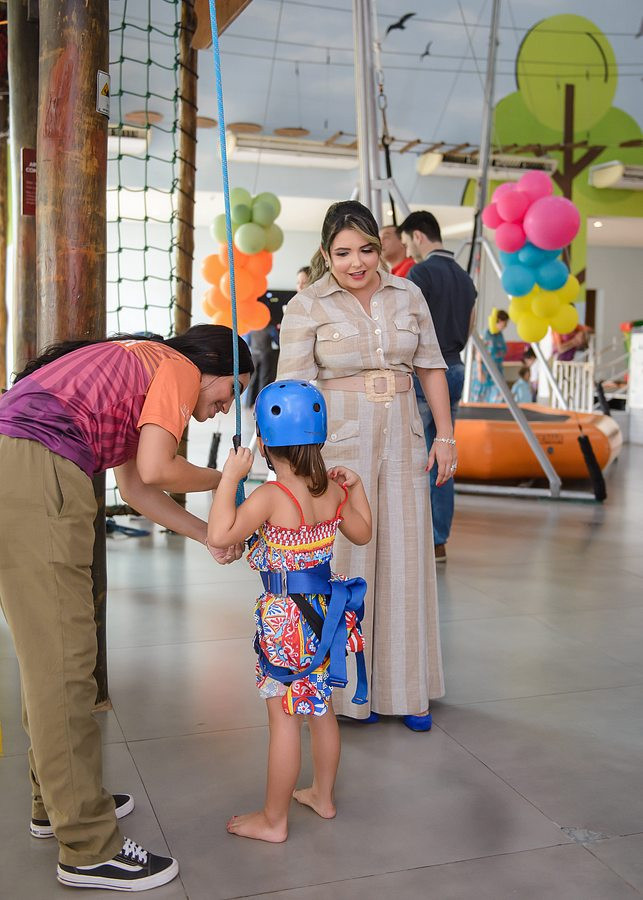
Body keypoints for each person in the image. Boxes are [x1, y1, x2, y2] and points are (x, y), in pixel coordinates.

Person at [0, 325, 253, 892]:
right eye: (228, 395)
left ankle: (57, 802)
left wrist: (209, 536)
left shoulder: (143, 363)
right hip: (37, 471)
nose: (220, 411)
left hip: (21, 466)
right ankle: (88, 846)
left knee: (51, 657)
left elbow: (139, 488)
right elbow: (162, 470)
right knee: (64, 665)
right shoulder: (177, 368)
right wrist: (231, 480)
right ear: (210, 367)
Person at [277, 200, 456, 732]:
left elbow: (431, 367)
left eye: (366, 249)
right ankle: (352, 694)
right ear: (326, 253)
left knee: (406, 558)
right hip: (338, 440)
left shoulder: (409, 294)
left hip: (404, 432)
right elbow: (293, 388)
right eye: (343, 253)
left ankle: (407, 691)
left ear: (380, 248)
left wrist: (446, 436)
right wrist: (292, 468)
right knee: (347, 560)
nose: (356, 262)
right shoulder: (307, 304)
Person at [208, 380, 372, 842]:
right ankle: (323, 795)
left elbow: (220, 534)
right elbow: (363, 533)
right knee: (320, 709)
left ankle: (274, 820)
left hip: (286, 623)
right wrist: (357, 488)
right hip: (326, 617)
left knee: (284, 717)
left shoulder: (271, 497)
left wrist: (229, 478)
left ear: (263, 443)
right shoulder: (333, 492)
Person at [398, 210, 477, 563]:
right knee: (444, 454)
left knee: (414, 455)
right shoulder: (465, 277)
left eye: (407, 243)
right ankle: (438, 540)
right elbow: (470, 325)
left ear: (418, 235)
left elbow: (410, 325)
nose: (408, 251)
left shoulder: (421, 273)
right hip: (456, 367)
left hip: (426, 372)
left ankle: (412, 536)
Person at [470, 309, 509, 403]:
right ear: (499, 320)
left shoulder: (500, 335)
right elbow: (478, 353)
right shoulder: (486, 334)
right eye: (505, 322)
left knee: (498, 396)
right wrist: (479, 371)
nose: (506, 325)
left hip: (496, 371)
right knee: (480, 398)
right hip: (484, 370)